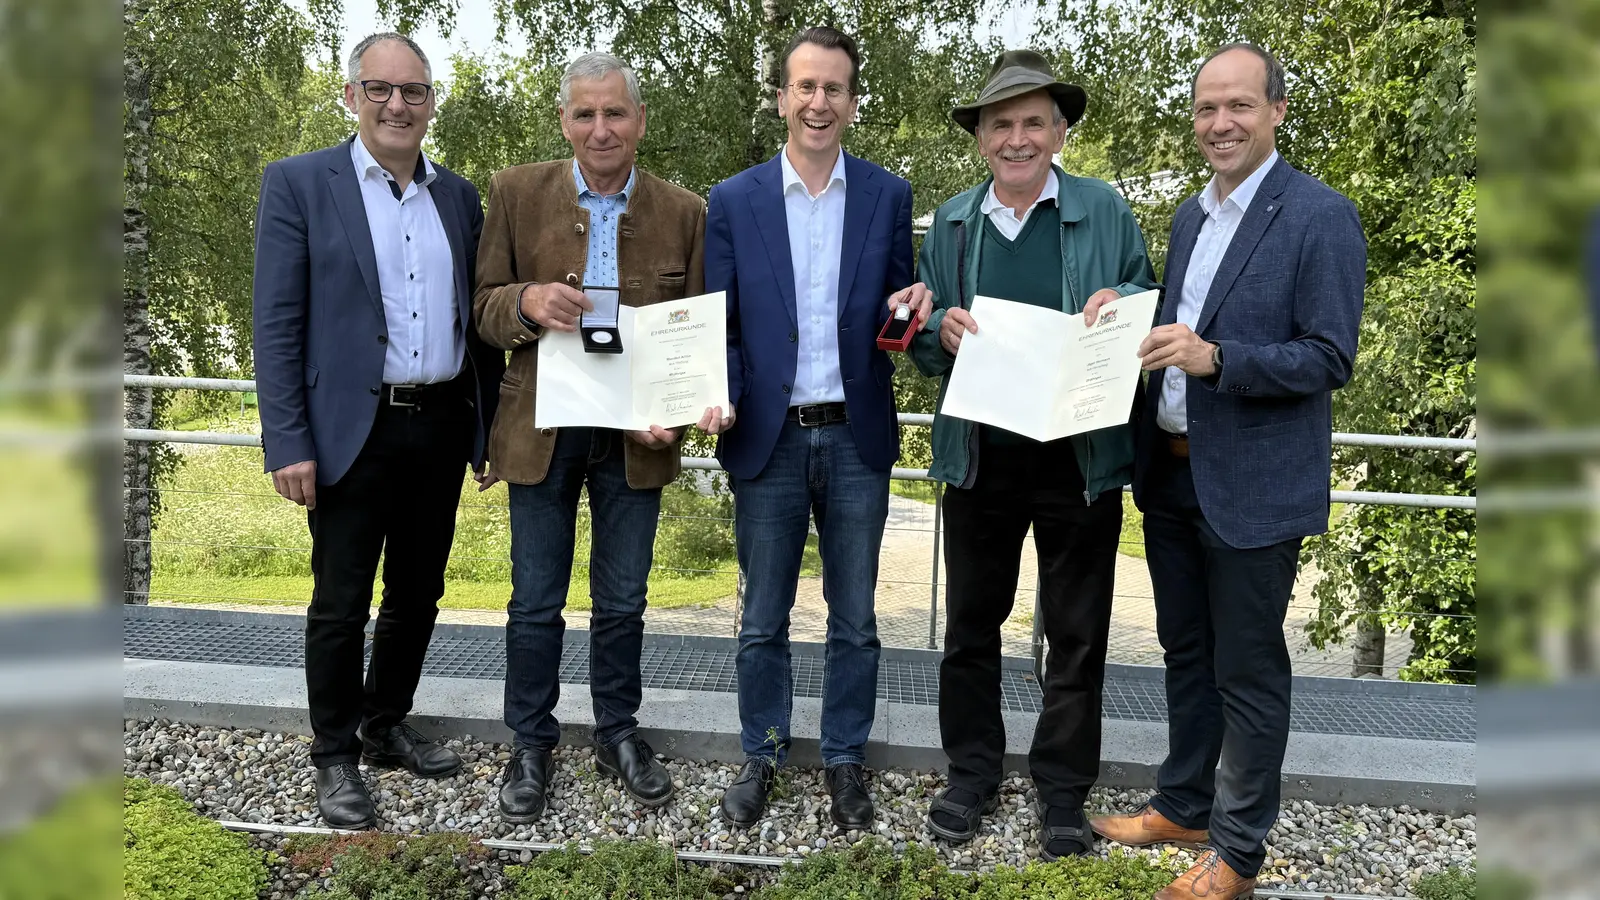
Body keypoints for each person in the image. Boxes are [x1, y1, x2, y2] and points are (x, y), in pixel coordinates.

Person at [1085, 43, 1365, 900]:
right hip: (1170, 475)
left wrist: (1218, 359)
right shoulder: (1188, 217)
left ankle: (1239, 854)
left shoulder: (1319, 216)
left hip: (1253, 487)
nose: (1220, 124)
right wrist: (1119, 316)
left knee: (1247, 671)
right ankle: (1184, 801)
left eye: (1238, 107)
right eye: (1207, 109)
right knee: (1186, 653)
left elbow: (1329, 356)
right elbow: (1173, 327)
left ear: (1276, 111)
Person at [897, 49, 1157, 860]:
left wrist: (1125, 314)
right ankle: (971, 772)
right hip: (982, 453)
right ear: (981, 139)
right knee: (971, 626)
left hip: (1078, 456)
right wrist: (935, 332)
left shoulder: (1106, 210)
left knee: (1077, 634)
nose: (1017, 138)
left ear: (1060, 130)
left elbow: (1148, 317)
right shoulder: (950, 222)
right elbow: (926, 345)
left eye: (1033, 122)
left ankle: (1063, 790)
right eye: (1001, 124)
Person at [251, 32, 504, 829]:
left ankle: (385, 722)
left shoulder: (459, 198)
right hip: (346, 433)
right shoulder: (299, 184)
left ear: (432, 102)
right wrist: (287, 440)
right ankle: (334, 755)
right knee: (340, 601)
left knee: (419, 594)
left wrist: (486, 428)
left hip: (438, 425)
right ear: (352, 95)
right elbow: (276, 324)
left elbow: (480, 324)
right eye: (380, 88)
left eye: (414, 91)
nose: (398, 104)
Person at [472, 51, 719, 824]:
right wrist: (527, 300)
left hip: (635, 437)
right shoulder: (516, 193)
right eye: (586, 113)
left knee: (623, 600)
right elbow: (480, 307)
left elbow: (698, 335)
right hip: (541, 426)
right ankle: (531, 743)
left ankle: (617, 732)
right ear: (564, 120)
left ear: (641, 120)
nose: (601, 128)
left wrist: (680, 411)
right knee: (534, 601)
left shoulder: (686, 211)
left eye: (616, 113)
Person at [705, 25, 926, 830]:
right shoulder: (731, 201)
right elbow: (721, 328)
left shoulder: (888, 196)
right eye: (806, 86)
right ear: (781, 98)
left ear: (853, 104)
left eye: (834, 88)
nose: (819, 101)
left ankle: (843, 761)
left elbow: (901, 309)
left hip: (857, 434)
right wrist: (718, 392)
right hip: (768, 437)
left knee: (856, 620)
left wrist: (914, 308)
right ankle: (762, 754)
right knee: (762, 617)